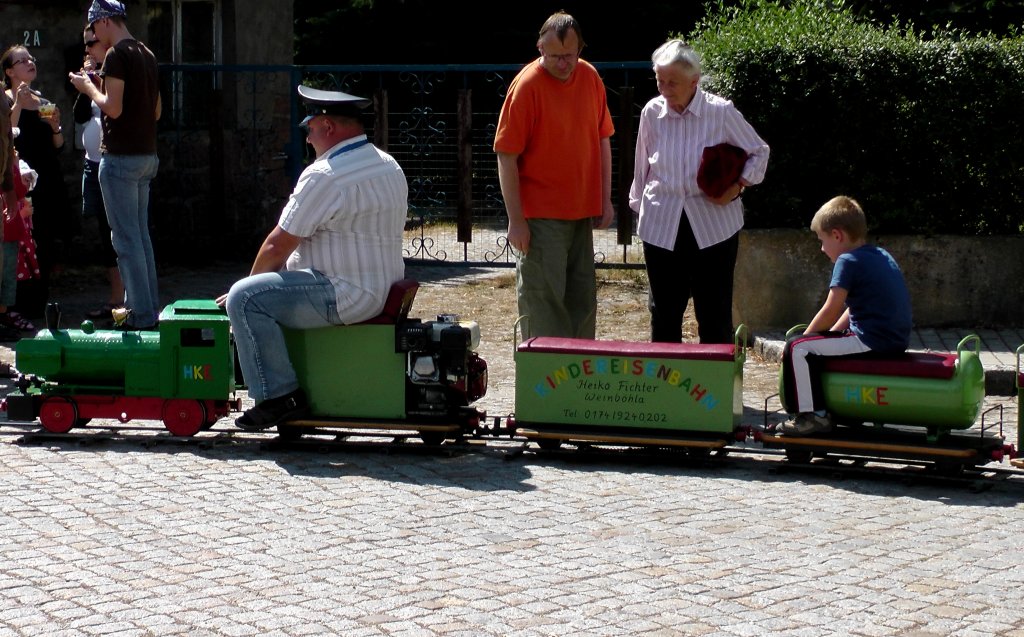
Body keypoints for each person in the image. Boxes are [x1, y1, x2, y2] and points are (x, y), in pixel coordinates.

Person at [218, 85, 408, 431]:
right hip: (381, 287)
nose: (307, 139)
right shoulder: (388, 164)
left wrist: (245, 289)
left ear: (328, 127)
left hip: (345, 293)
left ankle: (280, 397)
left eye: (309, 128)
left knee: (245, 300)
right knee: (250, 294)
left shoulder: (326, 174)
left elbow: (278, 244)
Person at [628, 39, 769, 345]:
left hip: (713, 223)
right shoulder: (652, 112)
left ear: (694, 82)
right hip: (662, 222)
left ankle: (714, 388)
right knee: (664, 312)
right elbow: (642, 164)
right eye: (659, 80)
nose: (664, 88)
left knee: (714, 313)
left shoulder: (720, 112)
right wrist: (639, 208)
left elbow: (760, 151)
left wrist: (736, 187)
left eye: (672, 82)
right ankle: (666, 387)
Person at [493, 11, 614, 340]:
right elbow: (506, 157)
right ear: (540, 48)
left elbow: (603, 139)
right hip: (540, 218)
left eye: (570, 55)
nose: (564, 63)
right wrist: (516, 220)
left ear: (580, 49)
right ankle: (543, 380)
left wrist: (605, 199)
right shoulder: (527, 86)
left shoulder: (590, 77)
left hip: (581, 213)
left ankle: (577, 379)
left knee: (582, 300)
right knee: (542, 304)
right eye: (555, 56)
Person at [779, 195, 913, 435]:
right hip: (893, 339)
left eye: (822, 240)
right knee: (810, 343)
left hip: (872, 340)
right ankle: (837, 408)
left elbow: (831, 308)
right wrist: (830, 335)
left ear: (837, 235)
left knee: (797, 347)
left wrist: (804, 338)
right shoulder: (878, 255)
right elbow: (852, 309)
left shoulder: (847, 261)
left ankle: (812, 416)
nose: (821, 248)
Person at [68, 0, 161, 330]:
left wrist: (88, 87)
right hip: (146, 156)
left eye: (94, 29)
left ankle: (141, 315)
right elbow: (156, 111)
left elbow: (113, 108)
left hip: (120, 158)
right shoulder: (146, 53)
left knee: (125, 242)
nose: (93, 35)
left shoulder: (116, 55)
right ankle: (150, 310)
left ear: (105, 22)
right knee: (141, 238)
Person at [1, 44, 74, 322]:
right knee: (18, 244)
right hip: (18, 180)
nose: (30, 63)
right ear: (9, 71)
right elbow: (9, 134)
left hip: (45, 179)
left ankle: (38, 303)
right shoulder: (6, 99)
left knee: (43, 241)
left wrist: (56, 127)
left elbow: (58, 145)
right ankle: (14, 306)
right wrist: (18, 103)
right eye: (22, 61)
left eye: (31, 58)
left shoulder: (41, 100)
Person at [73, 26, 124, 321]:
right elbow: (80, 116)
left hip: (112, 162)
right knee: (105, 234)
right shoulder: (94, 74)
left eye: (91, 43)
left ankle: (125, 301)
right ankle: (115, 298)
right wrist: (86, 85)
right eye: (86, 46)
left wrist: (96, 82)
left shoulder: (116, 70)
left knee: (117, 232)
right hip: (93, 165)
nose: (88, 50)